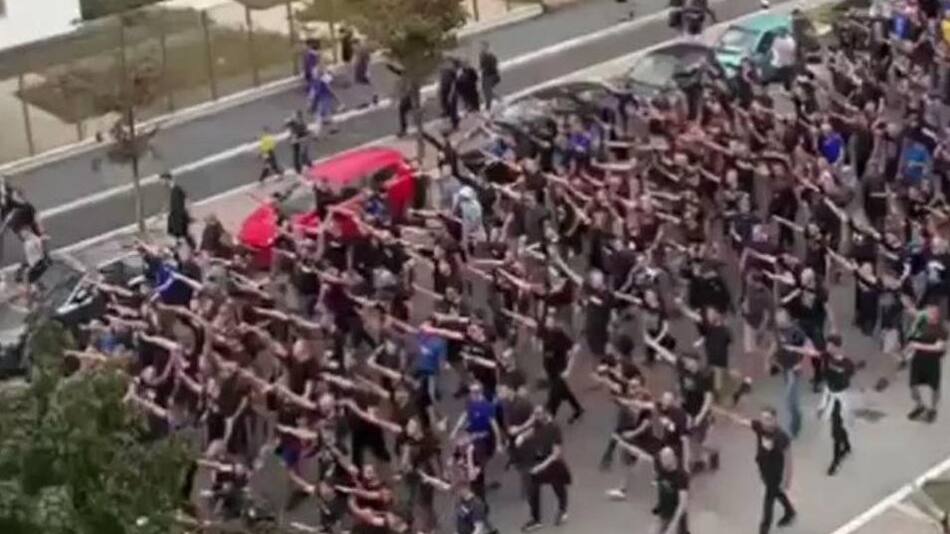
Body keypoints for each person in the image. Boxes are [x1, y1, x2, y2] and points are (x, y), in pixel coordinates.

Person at [722, 407, 796, 534]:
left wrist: (787, 480)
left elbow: (788, 460)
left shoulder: (781, 437)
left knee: (768, 501)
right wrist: (734, 418)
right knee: (776, 492)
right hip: (763, 469)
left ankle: (764, 529)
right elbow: (747, 423)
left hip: (775, 473)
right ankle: (790, 511)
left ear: (774, 419)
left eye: (768, 419)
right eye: (763, 418)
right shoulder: (760, 426)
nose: (764, 422)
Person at [612, 441, 690, 534]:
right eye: (662, 458)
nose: (662, 461)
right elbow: (645, 457)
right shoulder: (660, 466)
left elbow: (682, 504)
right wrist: (627, 446)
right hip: (662, 513)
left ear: (673, 459)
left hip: (675, 516)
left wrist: (673, 525)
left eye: (665, 458)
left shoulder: (681, 476)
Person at [518, 405, 571, 531]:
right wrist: (522, 437)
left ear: (545, 414)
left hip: (552, 463)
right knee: (533, 488)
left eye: (538, 414)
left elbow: (556, 453)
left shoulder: (554, 428)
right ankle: (536, 519)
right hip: (540, 459)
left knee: (558, 487)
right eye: (535, 414)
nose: (535, 417)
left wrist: (540, 467)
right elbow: (532, 431)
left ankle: (562, 510)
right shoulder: (538, 423)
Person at [816, 334, 855, 475]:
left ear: (837, 347)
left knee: (836, 429)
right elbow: (813, 353)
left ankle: (836, 459)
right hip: (829, 393)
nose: (827, 348)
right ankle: (847, 445)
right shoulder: (826, 357)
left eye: (830, 345)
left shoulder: (847, 364)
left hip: (839, 398)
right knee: (837, 425)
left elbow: (846, 380)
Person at [906, 303, 947, 423]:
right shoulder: (921, 325)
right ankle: (920, 405)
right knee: (913, 386)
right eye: (927, 312)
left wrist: (918, 345)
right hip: (918, 360)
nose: (928, 314)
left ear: (937, 315)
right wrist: (909, 349)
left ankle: (933, 409)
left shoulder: (941, 329)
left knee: (934, 387)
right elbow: (912, 338)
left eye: (931, 312)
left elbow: (938, 348)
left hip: (932, 362)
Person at [161, 172, 194, 248]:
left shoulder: (177, 189)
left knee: (182, 235)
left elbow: (186, 201)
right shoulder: (173, 189)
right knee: (181, 236)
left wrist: (187, 215)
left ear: (167, 179)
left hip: (179, 218)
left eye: (162, 181)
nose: (162, 183)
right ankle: (189, 247)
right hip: (177, 217)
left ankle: (189, 248)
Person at [286, 110, 312, 175]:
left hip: (300, 139)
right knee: (298, 154)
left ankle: (306, 166)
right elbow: (289, 127)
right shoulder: (294, 122)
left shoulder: (301, 123)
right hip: (297, 140)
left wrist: (301, 138)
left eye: (295, 115)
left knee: (301, 154)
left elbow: (304, 131)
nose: (294, 116)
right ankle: (302, 167)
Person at [478, 42, 501, 111]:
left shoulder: (491, 56)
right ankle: (499, 99)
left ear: (487, 47)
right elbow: (481, 66)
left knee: (487, 92)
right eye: (480, 47)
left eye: (483, 47)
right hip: (486, 75)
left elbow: (495, 65)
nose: (481, 48)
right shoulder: (481, 55)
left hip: (491, 75)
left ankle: (488, 108)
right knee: (486, 91)